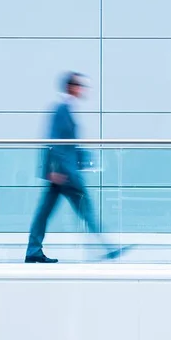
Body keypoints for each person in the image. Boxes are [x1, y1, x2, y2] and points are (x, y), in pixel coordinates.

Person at [25, 71, 129, 263]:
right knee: (85, 210)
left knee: (45, 212)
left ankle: (33, 251)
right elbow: (54, 140)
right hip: (65, 174)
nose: (83, 90)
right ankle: (108, 246)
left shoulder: (66, 109)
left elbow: (68, 143)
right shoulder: (61, 110)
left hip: (63, 172)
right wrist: (53, 170)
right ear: (71, 87)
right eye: (81, 86)